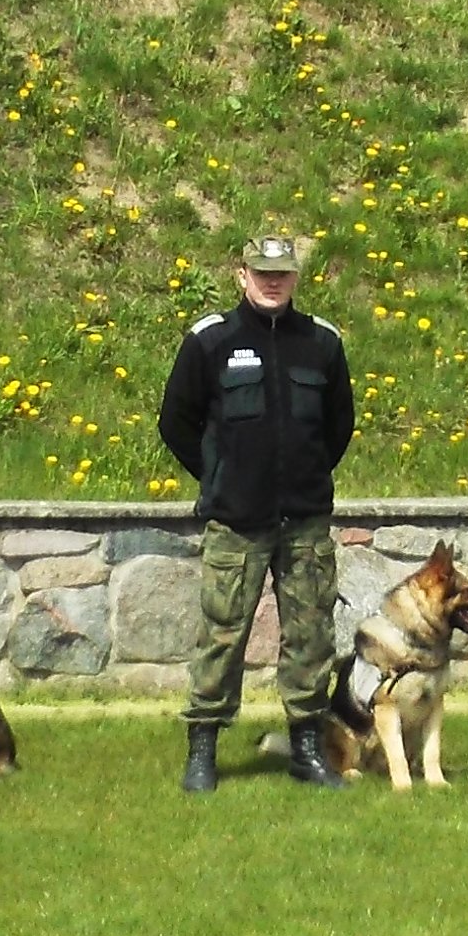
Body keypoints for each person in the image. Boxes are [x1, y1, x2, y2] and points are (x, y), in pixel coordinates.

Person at [158, 230, 358, 793]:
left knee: (311, 635)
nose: (273, 283)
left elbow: (338, 426)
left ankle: (306, 748)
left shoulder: (321, 343)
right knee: (222, 635)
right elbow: (176, 422)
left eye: (282, 274)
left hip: (304, 521)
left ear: (295, 278)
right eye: (262, 273)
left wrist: (305, 475)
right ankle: (203, 749)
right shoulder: (210, 340)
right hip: (237, 522)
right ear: (241, 275)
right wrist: (221, 476)